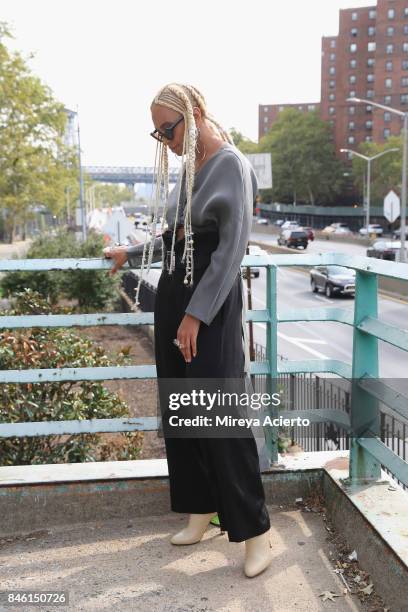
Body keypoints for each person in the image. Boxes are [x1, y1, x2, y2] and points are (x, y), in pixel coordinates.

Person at [103, 83, 272, 578]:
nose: (164, 140)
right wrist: (129, 255)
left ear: (195, 114)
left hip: (209, 302)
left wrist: (197, 315)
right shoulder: (189, 166)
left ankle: (255, 531)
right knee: (181, 408)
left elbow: (230, 249)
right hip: (174, 289)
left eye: (168, 129)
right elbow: (174, 235)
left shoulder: (231, 164)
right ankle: (200, 510)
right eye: (157, 132)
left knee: (222, 415)